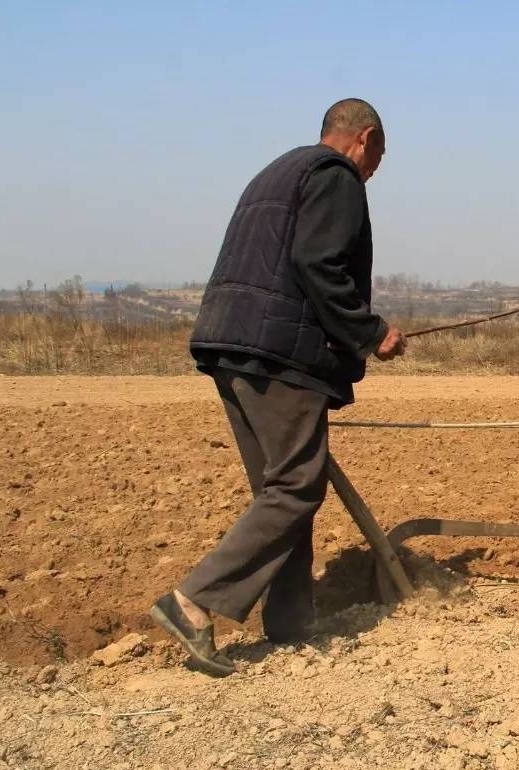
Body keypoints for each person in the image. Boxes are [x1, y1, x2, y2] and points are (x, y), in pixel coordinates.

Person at [150, 98, 406, 676]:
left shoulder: (277, 172)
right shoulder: (337, 177)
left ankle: (291, 621)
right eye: (376, 161)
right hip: (279, 356)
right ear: (363, 139)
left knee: (280, 489)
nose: (372, 174)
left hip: (230, 344)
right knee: (295, 488)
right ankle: (192, 602)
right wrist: (371, 333)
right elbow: (319, 265)